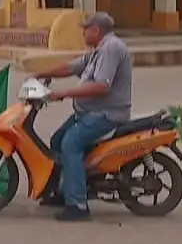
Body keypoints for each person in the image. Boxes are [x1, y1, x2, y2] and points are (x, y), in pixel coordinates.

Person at [31, 12, 132, 222]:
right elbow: (71, 67)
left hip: (107, 114)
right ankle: (63, 191)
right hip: (88, 113)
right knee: (57, 140)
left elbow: (102, 86)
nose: (83, 32)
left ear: (96, 31)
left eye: (85, 29)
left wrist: (64, 93)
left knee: (70, 144)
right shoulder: (97, 51)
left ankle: (77, 204)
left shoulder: (112, 48)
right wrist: (39, 74)